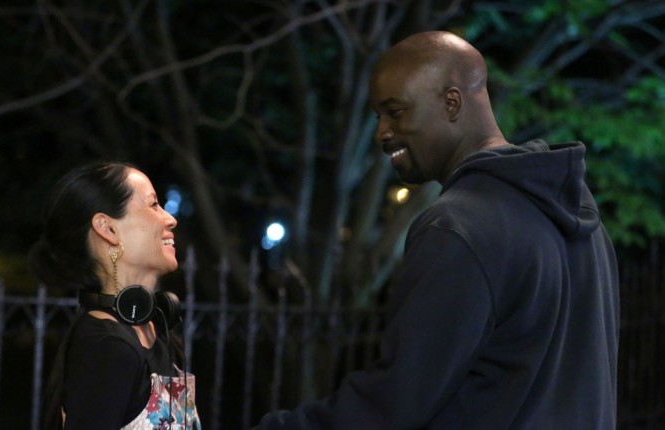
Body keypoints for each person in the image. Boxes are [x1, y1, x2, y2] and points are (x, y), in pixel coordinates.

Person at [255, 31, 619, 429]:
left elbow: (394, 404)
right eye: (378, 117)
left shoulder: (458, 227)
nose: (382, 132)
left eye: (395, 111)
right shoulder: (581, 218)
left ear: (451, 103)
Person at [30, 162, 201, 429]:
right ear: (108, 229)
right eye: (153, 205)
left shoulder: (153, 330)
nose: (170, 219)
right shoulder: (108, 347)